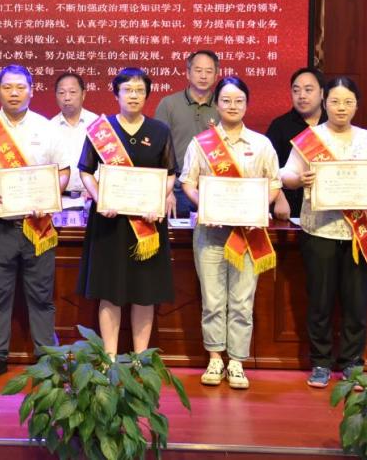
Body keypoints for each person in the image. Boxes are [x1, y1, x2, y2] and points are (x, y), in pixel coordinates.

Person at [280, 77, 367, 389]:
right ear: (324, 103)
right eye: (335, 101)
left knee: (356, 303)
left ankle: (353, 364)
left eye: (348, 102)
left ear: (356, 105)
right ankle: (320, 363)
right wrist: (299, 179)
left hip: (357, 233)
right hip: (320, 230)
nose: (341, 108)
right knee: (320, 300)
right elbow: (285, 174)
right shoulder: (310, 138)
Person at [0, 64, 70, 383]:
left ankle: (46, 358)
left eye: (20, 87)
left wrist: (49, 196)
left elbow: (64, 171)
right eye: (7, 87)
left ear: (31, 91)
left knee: (41, 295)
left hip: (37, 225)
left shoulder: (46, 129)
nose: (14, 93)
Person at [180, 76, 282, 390]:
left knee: (241, 301)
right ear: (217, 104)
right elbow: (188, 183)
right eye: (226, 100)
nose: (232, 106)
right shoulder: (202, 143)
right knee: (212, 300)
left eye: (239, 100)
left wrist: (259, 207)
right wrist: (205, 205)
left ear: (247, 104)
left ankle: (236, 361)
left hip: (247, 234)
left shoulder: (261, 144)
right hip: (210, 233)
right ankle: (215, 358)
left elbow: (274, 183)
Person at [76, 68, 177, 358]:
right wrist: (100, 198)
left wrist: (157, 201)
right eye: (128, 90)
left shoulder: (160, 131)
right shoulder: (101, 129)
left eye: (139, 90)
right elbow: (86, 170)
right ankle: (109, 358)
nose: (134, 95)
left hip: (147, 224)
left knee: (144, 292)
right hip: (109, 223)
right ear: (116, 94)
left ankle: (140, 358)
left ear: (147, 95)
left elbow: (170, 173)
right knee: (110, 290)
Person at [154, 50, 221, 218]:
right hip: (176, 188)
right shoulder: (169, 104)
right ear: (187, 73)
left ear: (216, 75)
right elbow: (157, 150)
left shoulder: (223, 106)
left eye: (209, 71)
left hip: (212, 188)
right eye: (198, 70)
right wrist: (166, 191)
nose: (203, 76)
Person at [266, 67, 327, 219]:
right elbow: (267, 169)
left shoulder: (332, 125)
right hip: (290, 208)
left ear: (322, 93)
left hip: (328, 208)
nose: (302, 96)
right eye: (296, 90)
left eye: (308, 90)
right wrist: (279, 198)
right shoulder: (279, 126)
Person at [50, 72, 98, 210]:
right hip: (60, 201)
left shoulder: (97, 124)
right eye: (61, 93)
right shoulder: (48, 128)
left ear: (83, 94)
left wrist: (96, 188)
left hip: (93, 200)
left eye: (72, 92)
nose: (67, 98)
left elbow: (106, 163)